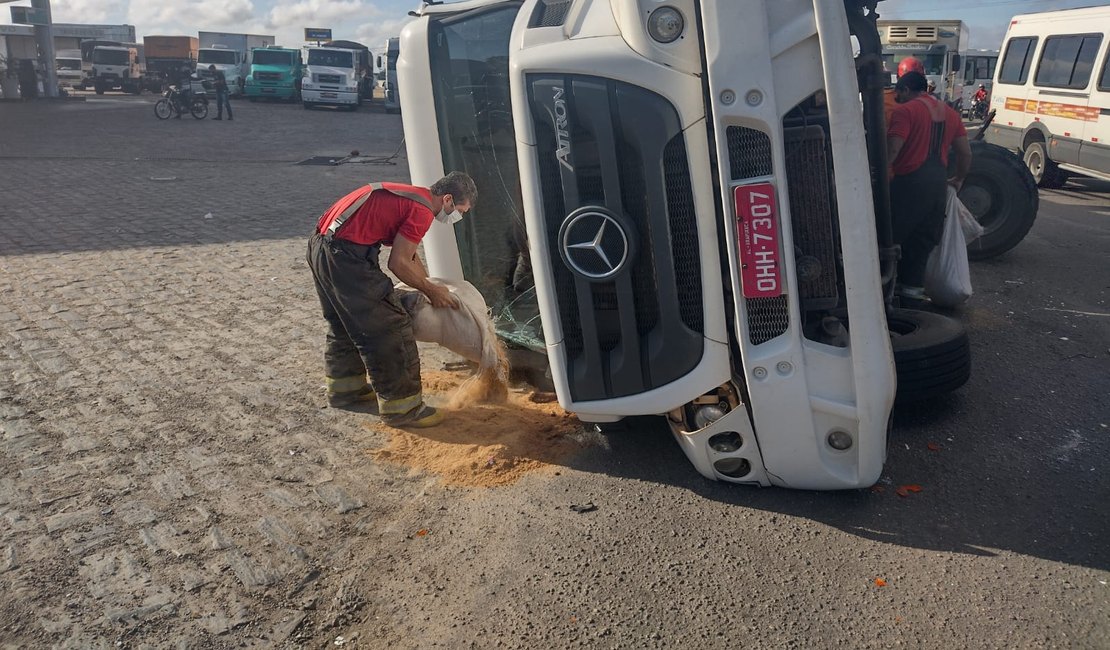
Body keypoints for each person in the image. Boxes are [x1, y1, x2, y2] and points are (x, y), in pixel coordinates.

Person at [306, 172, 478, 427]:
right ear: (448, 199)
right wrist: (432, 293)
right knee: (390, 326)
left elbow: (410, 255)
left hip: (321, 247)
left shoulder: (411, 196)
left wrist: (429, 284)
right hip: (346, 256)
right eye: (460, 211)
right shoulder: (421, 210)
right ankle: (403, 408)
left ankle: (345, 389)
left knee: (344, 321)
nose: (458, 217)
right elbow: (398, 263)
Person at [887, 71, 972, 305]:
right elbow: (965, 153)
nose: (898, 99)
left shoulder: (905, 112)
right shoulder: (951, 114)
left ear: (905, 89)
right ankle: (911, 301)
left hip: (908, 185)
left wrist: (879, 176)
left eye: (898, 94)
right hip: (936, 186)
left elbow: (893, 148)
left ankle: (882, 297)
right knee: (921, 246)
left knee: (888, 242)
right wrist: (958, 179)